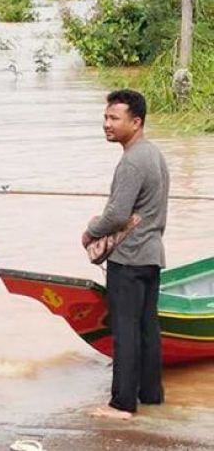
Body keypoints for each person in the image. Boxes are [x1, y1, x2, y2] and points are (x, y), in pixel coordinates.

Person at [84, 90, 168, 420]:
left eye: (113, 118)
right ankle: (150, 395)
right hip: (151, 254)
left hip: (130, 258)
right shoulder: (154, 154)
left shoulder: (133, 160)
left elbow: (117, 214)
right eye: (105, 117)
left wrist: (91, 230)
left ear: (136, 122)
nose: (106, 124)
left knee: (126, 330)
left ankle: (121, 404)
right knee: (148, 328)